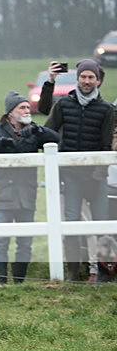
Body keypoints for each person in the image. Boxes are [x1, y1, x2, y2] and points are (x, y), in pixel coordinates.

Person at [0, 91, 59, 285]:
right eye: (22, 107)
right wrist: (2, 142)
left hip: (26, 194)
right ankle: (1, 280)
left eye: (28, 107)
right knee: (1, 240)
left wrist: (40, 131)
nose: (27, 110)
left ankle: (19, 281)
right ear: (10, 112)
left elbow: (56, 140)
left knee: (25, 242)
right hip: (2, 194)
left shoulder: (33, 130)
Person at [44, 59, 115, 281]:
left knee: (102, 223)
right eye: (83, 77)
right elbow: (48, 129)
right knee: (71, 221)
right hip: (71, 175)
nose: (86, 81)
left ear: (98, 81)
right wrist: (50, 82)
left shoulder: (106, 109)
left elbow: (106, 144)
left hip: (96, 176)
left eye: (91, 77)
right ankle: (73, 273)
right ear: (77, 79)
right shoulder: (64, 105)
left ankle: (104, 272)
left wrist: (99, 171)